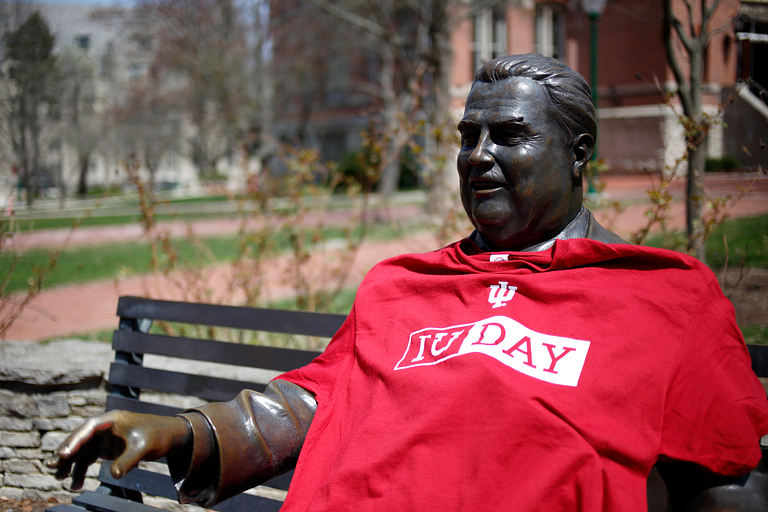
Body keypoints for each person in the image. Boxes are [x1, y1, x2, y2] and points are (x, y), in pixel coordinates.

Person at [48, 54, 768, 511]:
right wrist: (179, 433)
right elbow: (310, 402)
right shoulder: (404, 285)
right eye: (467, 137)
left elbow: (726, 479)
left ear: (579, 154)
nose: (477, 157)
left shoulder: (664, 296)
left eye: (509, 136)